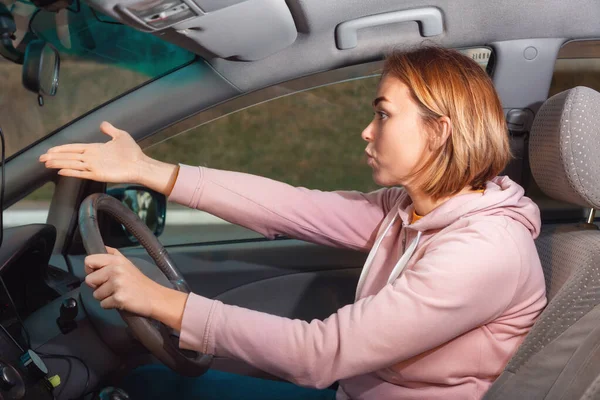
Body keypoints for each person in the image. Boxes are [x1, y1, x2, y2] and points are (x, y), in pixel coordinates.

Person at [39, 46, 547, 400]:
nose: (366, 132)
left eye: (385, 115)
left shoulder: (483, 250)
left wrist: (163, 302)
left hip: (346, 386)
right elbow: (287, 207)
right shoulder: (412, 208)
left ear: (439, 133)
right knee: (153, 383)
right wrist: (146, 170)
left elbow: (321, 353)